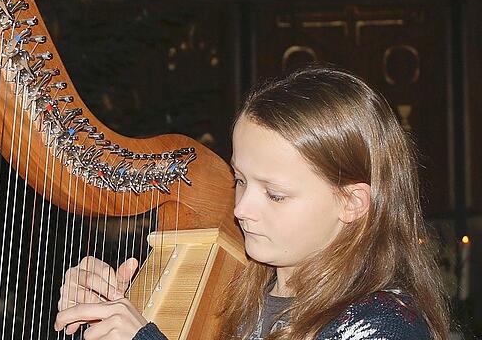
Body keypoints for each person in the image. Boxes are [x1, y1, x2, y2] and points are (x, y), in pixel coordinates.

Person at [53, 67, 453, 339]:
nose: (241, 208)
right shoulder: (237, 287)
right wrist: (104, 313)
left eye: (274, 194)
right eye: (240, 181)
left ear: (351, 203)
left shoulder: (383, 325)